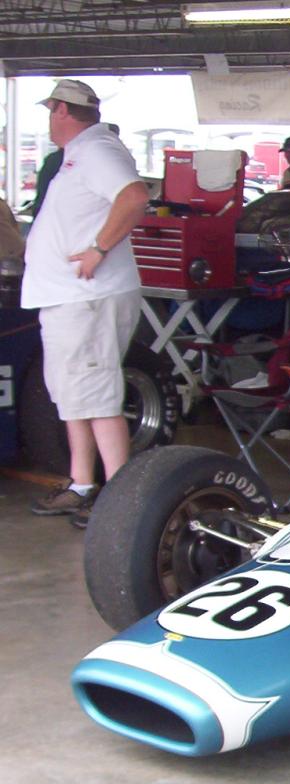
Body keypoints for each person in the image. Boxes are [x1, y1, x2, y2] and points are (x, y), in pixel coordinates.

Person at [21, 79, 149, 529]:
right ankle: (81, 484)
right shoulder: (79, 153)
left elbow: (135, 196)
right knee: (73, 394)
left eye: (50, 111)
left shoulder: (97, 149)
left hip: (89, 298)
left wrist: (99, 247)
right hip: (69, 297)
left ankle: (118, 496)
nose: (48, 120)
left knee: (97, 396)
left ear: (61, 110)